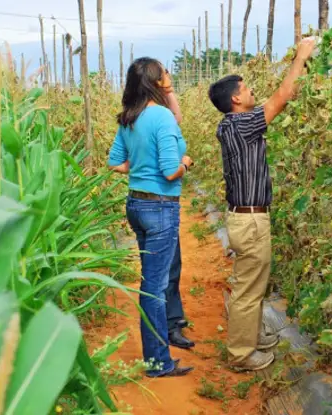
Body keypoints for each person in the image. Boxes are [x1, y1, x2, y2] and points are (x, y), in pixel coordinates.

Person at [207, 37, 317, 371]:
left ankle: (253, 337)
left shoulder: (231, 125)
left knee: (253, 284)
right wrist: (301, 56)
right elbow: (282, 97)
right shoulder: (241, 124)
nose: (253, 92)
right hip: (251, 222)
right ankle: (241, 355)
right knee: (247, 289)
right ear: (236, 99)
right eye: (247, 88)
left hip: (246, 219)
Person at [108, 57, 194, 377]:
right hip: (160, 207)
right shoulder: (161, 118)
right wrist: (187, 163)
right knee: (154, 289)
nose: (169, 76)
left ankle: (156, 357)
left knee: (150, 284)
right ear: (157, 81)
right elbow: (171, 171)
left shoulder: (131, 117)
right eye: (166, 73)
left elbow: (115, 163)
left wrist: (140, 165)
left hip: (137, 205)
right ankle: (158, 363)